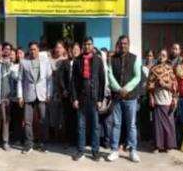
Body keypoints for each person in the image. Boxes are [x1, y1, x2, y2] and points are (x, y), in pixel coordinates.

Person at [106, 35, 141, 163]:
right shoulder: (112, 58)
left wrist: (126, 88)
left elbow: (137, 77)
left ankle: (132, 150)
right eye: (121, 43)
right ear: (118, 44)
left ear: (129, 44)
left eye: (125, 43)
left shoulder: (135, 58)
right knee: (116, 124)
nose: (123, 45)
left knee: (131, 125)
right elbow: (110, 76)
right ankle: (114, 150)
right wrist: (119, 89)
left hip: (131, 97)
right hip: (117, 97)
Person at [71, 37, 105, 162]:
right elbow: (73, 82)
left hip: (95, 98)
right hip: (81, 98)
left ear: (93, 45)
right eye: (85, 44)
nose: (87, 46)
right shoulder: (77, 61)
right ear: (82, 46)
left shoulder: (98, 60)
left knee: (95, 126)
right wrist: (74, 98)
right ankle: (80, 151)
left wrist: (101, 98)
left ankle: (95, 152)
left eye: (89, 44)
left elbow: (102, 81)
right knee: (81, 126)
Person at [18, 41, 53, 154]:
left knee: (43, 120)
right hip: (28, 95)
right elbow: (20, 80)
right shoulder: (24, 63)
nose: (33, 51)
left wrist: (49, 94)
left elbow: (49, 79)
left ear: (38, 50)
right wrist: (20, 96)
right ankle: (29, 144)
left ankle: (43, 144)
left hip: (42, 95)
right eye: (31, 49)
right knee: (28, 121)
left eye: (35, 49)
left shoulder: (45, 62)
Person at [147, 49, 177, 153]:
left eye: (164, 55)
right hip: (157, 99)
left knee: (168, 124)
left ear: (167, 57)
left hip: (167, 99)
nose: (161, 57)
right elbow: (149, 85)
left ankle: (167, 146)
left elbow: (174, 85)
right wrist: (151, 97)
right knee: (157, 125)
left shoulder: (170, 69)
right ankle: (157, 146)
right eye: (160, 55)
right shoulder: (153, 69)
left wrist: (164, 85)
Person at [48, 41, 68, 143]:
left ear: (64, 49)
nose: (58, 49)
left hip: (63, 92)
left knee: (63, 116)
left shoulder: (66, 61)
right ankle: (54, 136)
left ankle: (63, 138)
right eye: (57, 47)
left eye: (60, 47)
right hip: (53, 92)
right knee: (53, 115)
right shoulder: (50, 61)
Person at [9, 47, 24, 145]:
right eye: (10, 54)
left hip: (20, 97)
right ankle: (15, 137)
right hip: (10, 97)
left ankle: (21, 138)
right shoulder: (8, 65)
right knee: (13, 118)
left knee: (21, 118)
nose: (12, 56)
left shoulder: (21, 66)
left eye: (13, 54)